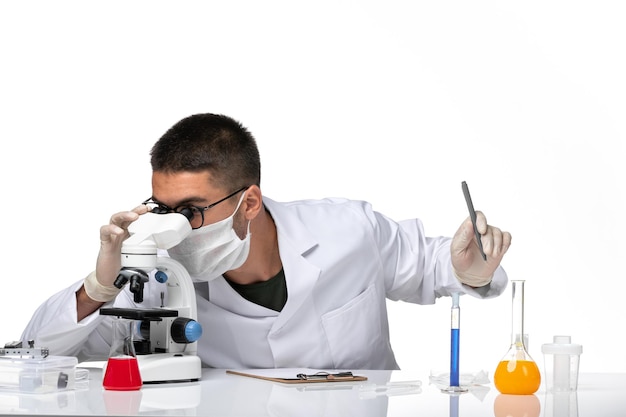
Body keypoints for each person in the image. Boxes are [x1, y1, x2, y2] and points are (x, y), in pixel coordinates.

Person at [21, 113, 512, 370]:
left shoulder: (349, 231)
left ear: (249, 202)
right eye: (163, 209)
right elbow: (35, 358)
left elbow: (435, 266)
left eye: (191, 211)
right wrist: (99, 286)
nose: (175, 228)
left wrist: (469, 271)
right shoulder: (156, 276)